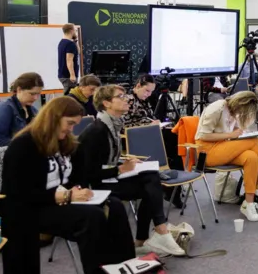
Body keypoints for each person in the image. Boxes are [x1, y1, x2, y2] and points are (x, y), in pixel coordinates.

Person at [1, 97, 134, 274]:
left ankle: (122, 272)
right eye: (69, 123)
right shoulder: (23, 145)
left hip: (60, 201)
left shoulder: (65, 142)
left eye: (74, 124)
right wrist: (65, 197)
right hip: (30, 209)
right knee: (91, 218)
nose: (72, 129)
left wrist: (79, 190)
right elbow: (19, 193)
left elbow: (76, 176)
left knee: (115, 205)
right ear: (53, 118)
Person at [76, 85, 184, 256]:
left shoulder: (111, 125)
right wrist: (120, 168)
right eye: (121, 96)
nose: (127, 99)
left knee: (151, 178)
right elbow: (90, 173)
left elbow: (107, 159)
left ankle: (146, 238)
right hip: (96, 185)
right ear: (106, 103)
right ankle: (158, 233)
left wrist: (124, 161)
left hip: (109, 178)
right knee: (151, 184)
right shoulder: (96, 131)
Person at [195, 92, 258, 222]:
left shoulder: (232, 110)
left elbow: (231, 129)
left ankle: (249, 204)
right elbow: (203, 136)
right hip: (207, 151)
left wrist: (241, 132)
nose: (243, 114)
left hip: (222, 147)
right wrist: (231, 135)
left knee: (251, 157)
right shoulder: (217, 108)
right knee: (254, 141)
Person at [0, 73, 43, 149]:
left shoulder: (33, 111)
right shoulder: (5, 108)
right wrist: (27, 145)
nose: (36, 98)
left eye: (38, 94)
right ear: (19, 90)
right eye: (32, 94)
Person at [57, 23, 80, 92]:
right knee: (70, 96)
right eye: (75, 30)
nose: (76, 32)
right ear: (71, 30)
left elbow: (78, 52)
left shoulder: (62, 42)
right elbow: (69, 60)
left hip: (63, 74)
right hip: (68, 76)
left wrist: (75, 41)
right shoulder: (70, 44)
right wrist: (72, 75)